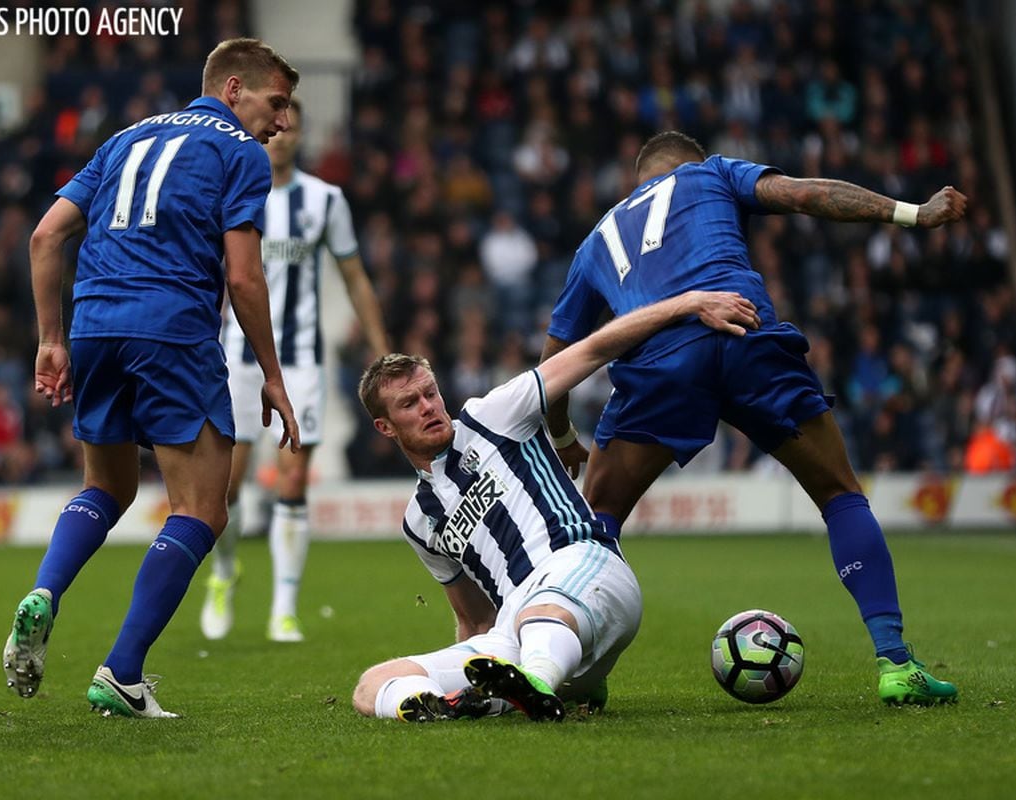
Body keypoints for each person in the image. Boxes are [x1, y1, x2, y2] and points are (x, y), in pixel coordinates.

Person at [541, 131, 965, 706]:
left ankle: (579, 673)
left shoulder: (597, 240)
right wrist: (912, 213)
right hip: (746, 335)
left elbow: (557, 358)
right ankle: (895, 663)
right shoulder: (711, 173)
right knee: (840, 494)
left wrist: (564, 433)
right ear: (685, 165)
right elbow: (804, 193)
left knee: (597, 521)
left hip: (662, 364)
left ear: (638, 180)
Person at [1, 38, 301, 718]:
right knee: (203, 508)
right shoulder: (240, 153)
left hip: (93, 326)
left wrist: (51, 339)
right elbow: (245, 276)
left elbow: (45, 237)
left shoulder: (123, 140)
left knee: (106, 485)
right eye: (275, 103)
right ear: (232, 89)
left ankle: (46, 591)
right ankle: (122, 671)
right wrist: (274, 376)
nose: (281, 123)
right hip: (172, 328)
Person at [353, 290, 761, 722]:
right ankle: (442, 708)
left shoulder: (494, 416)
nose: (428, 407)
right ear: (385, 427)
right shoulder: (420, 520)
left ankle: (534, 686)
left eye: (430, 394)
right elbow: (474, 620)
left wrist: (689, 304)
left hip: (586, 570)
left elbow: (595, 349)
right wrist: (463, 661)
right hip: (518, 633)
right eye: (409, 404)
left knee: (541, 611)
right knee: (373, 683)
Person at [200, 98, 390, 643]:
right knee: (224, 492)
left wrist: (381, 351)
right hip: (236, 357)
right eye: (277, 126)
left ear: (300, 135)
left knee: (294, 481)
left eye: (293, 127)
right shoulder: (232, 192)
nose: (282, 135)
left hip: (301, 361)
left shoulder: (326, 200)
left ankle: (284, 606)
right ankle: (224, 572)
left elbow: (355, 278)